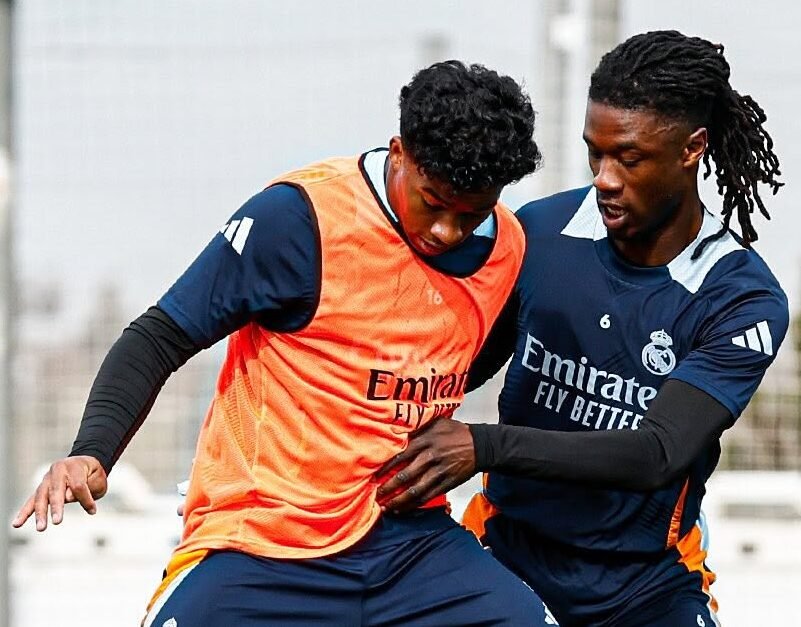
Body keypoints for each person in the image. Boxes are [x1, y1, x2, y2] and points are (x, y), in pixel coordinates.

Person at [12, 61, 548, 626]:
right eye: (433, 202)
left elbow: (467, 357)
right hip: (264, 541)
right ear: (399, 153)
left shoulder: (507, 248)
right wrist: (93, 450)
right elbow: (161, 334)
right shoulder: (299, 220)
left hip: (409, 546)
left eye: (471, 214)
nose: (447, 231)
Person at [377, 31, 788, 627]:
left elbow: (657, 454)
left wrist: (484, 445)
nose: (604, 178)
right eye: (595, 153)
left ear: (692, 149)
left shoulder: (740, 296)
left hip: (647, 586)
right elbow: (458, 365)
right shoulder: (539, 232)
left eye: (629, 158)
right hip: (506, 553)